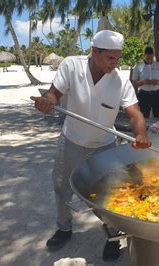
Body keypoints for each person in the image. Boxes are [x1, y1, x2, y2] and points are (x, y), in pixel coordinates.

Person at [30, 30, 151, 261]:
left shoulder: (121, 80)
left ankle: (112, 237)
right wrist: (47, 102)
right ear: (95, 51)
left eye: (118, 58)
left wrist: (142, 134)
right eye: (110, 58)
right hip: (72, 140)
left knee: (110, 192)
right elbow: (54, 94)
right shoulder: (72, 66)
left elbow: (135, 114)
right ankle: (64, 228)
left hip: (104, 146)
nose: (115, 63)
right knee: (61, 186)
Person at [131, 46, 159, 118]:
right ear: (144, 56)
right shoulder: (138, 67)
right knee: (143, 116)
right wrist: (143, 82)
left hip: (157, 94)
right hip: (144, 94)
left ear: (153, 55)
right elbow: (133, 83)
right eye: (147, 59)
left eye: (151, 58)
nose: (150, 60)